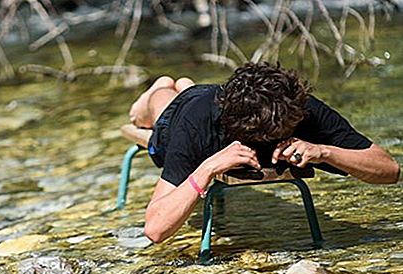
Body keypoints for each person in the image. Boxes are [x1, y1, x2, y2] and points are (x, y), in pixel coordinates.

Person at [123, 62, 400, 244]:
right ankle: (157, 89)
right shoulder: (197, 127)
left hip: (225, 95)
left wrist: (324, 151)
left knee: (187, 86)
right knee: (163, 102)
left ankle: (182, 83)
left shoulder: (297, 107)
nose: (297, 125)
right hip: (183, 110)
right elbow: (155, 229)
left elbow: (389, 171)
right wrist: (207, 167)